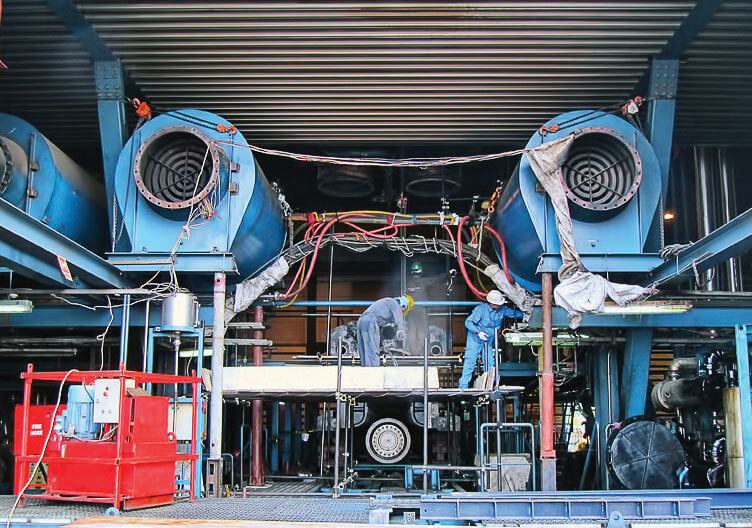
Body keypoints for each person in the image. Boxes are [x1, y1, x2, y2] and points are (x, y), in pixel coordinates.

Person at [458, 289, 523, 388]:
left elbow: (515, 313)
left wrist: (530, 313)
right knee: (470, 361)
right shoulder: (480, 310)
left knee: (490, 363)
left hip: (488, 340)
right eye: (498, 304)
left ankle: (492, 384)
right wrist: (478, 332)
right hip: (475, 338)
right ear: (491, 303)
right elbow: (468, 322)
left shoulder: (502, 309)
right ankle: (463, 386)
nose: (499, 306)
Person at [357, 295, 414, 367]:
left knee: (364, 352)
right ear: (404, 306)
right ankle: (373, 374)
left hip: (361, 321)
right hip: (370, 322)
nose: (402, 311)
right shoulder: (395, 304)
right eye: (403, 310)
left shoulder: (387, 302)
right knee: (372, 352)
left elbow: (380, 326)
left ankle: (365, 371)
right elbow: (399, 320)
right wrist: (400, 331)